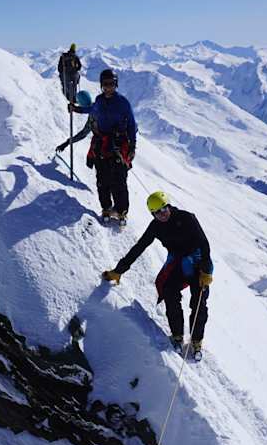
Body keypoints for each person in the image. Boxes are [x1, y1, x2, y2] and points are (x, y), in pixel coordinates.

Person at [101, 191, 213, 356]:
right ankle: (177, 335)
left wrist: (206, 271)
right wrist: (119, 270)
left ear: (168, 205)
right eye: (157, 212)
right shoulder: (156, 227)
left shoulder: (187, 218)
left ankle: (197, 341)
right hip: (177, 263)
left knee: (199, 303)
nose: (163, 214)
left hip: (198, 263)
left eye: (164, 208)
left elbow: (204, 244)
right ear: (152, 214)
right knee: (169, 291)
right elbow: (139, 247)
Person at [70, 68, 137, 223]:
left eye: (111, 84)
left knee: (119, 181)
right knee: (102, 179)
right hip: (102, 145)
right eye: (105, 84)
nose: (108, 87)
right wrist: (76, 109)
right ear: (101, 85)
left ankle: (121, 210)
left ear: (116, 84)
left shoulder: (123, 103)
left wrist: (132, 145)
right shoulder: (100, 100)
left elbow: (132, 124)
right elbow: (91, 109)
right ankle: (106, 207)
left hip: (119, 146)